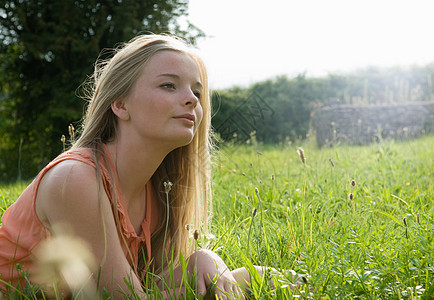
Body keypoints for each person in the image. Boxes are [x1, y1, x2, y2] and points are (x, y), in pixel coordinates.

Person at [0, 34, 271, 299]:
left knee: (272, 279)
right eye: (168, 85)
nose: (192, 99)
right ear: (120, 104)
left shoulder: (159, 193)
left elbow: (146, 287)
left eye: (197, 91)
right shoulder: (75, 179)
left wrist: (205, 260)